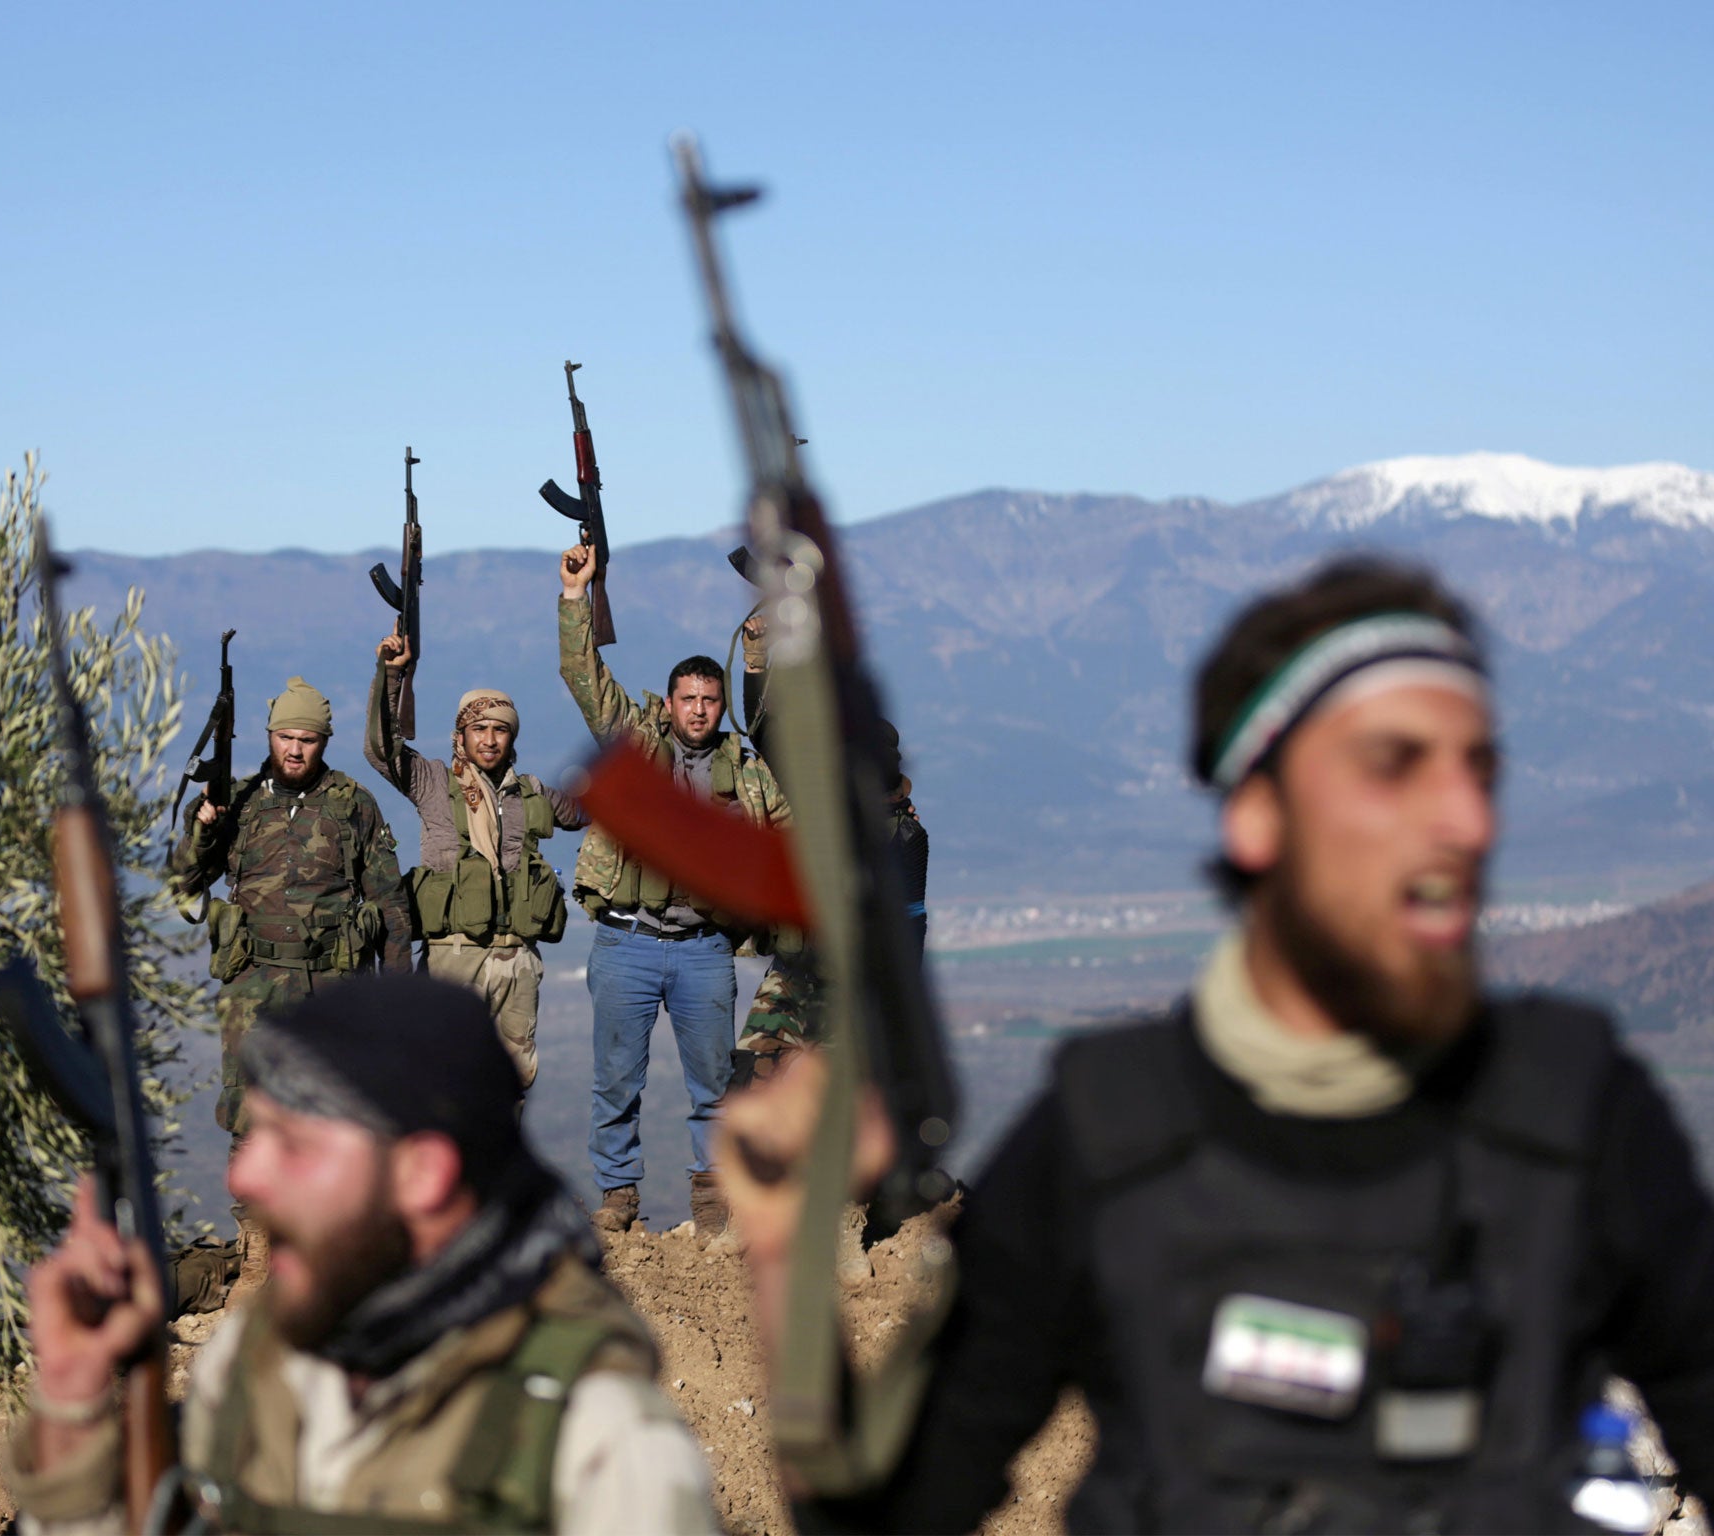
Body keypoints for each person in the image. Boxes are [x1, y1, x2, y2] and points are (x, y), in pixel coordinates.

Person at [721, 556, 1714, 1533]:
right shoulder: (1106, 1136)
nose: (1460, 818)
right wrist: (781, 1253)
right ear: (1255, 815)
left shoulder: (1581, 1114)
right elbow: (888, 1514)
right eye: (1390, 764)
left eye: (1478, 767)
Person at [4, 975, 717, 1534]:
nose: (244, 1178)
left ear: (420, 1174)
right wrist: (73, 1397)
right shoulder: (258, 1361)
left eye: (296, 1145)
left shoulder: (597, 1442)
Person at [557, 541, 789, 1237]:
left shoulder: (745, 772)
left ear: (721, 705)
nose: (699, 710)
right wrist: (575, 599)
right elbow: (582, 673)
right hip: (626, 938)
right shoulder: (635, 742)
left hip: (704, 948)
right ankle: (618, 1194)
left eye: (710, 700)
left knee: (715, 1084)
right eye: (688, 699)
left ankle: (713, 1198)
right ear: (670, 701)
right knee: (615, 1081)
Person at [171, 676, 413, 1146]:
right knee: (251, 1110)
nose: (296, 750)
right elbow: (184, 886)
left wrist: (399, 997)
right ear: (269, 736)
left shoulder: (353, 805)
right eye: (286, 738)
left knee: (335, 1110)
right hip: (253, 982)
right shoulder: (236, 803)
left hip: (333, 984)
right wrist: (201, 832)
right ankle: (254, 1220)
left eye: (307, 740)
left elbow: (391, 905)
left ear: (323, 742)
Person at [365, 632, 587, 1091]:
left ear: (512, 736)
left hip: (517, 960)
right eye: (479, 728)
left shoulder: (531, 793)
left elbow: (585, 811)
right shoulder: (431, 781)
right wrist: (391, 675)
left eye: (500, 729)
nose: (489, 739)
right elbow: (381, 750)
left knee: (510, 1087)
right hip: (454, 958)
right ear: (461, 734)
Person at [731, 615, 928, 1079]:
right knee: (752, 1083)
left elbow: (911, 923)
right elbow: (762, 728)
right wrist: (757, 655)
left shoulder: (905, 836)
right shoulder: (817, 800)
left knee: (846, 1111)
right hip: (795, 971)